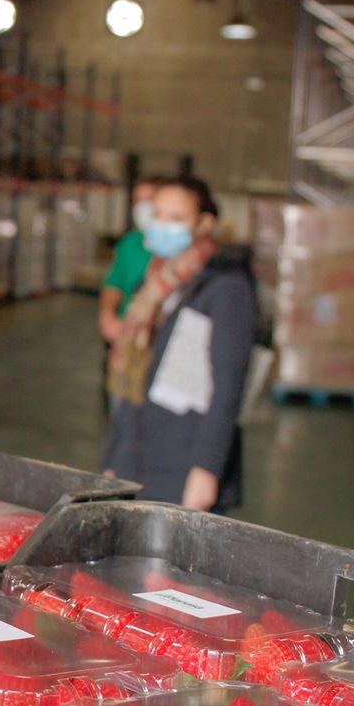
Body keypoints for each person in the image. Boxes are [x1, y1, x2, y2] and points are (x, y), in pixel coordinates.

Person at [102, 176, 256, 513]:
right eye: (158, 215)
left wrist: (206, 470)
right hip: (138, 456)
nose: (162, 226)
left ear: (204, 223)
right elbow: (132, 383)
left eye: (176, 218)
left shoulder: (225, 287)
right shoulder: (153, 285)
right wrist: (114, 459)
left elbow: (227, 387)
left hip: (184, 462)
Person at [98, 180, 158, 344]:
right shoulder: (130, 242)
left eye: (149, 199)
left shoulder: (176, 250)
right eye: (138, 201)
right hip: (126, 332)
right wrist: (108, 315)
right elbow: (114, 284)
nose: (143, 208)